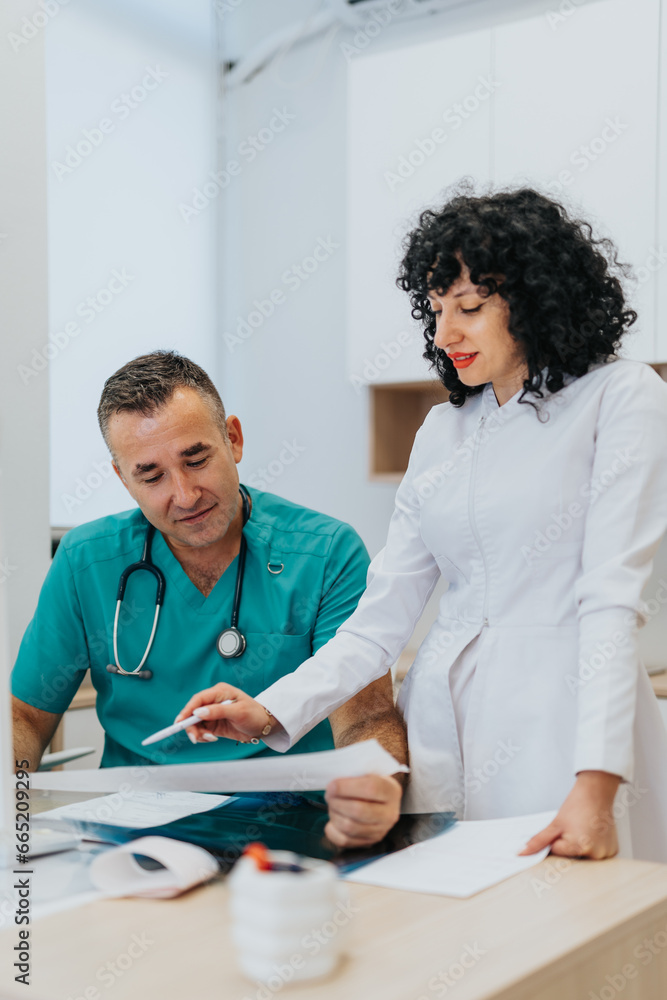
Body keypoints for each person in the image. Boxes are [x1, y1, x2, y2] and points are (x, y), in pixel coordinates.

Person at [175, 187, 667, 863]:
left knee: (564, 918)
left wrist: (594, 787)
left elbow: (610, 600)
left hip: (564, 725)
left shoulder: (621, 396)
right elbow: (379, 622)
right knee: (447, 912)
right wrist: (271, 709)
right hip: (438, 723)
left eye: (469, 308)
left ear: (537, 298)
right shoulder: (442, 430)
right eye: (435, 311)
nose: (442, 335)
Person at [11, 351, 406, 848]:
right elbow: (26, 716)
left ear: (233, 439)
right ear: (122, 478)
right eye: (151, 476)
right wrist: (11, 806)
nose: (184, 495)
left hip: (296, 830)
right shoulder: (86, 560)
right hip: (129, 830)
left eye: (196, 460)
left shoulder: (324, 553)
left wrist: (377, 786)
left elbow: (366, 718)